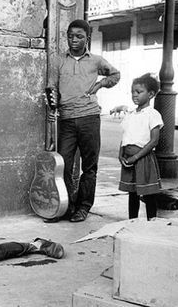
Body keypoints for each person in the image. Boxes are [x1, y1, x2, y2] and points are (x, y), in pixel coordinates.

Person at [48, 19, 120, 222]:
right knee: (63, 164)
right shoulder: (59, 61)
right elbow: (52, 88)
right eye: (70, 36)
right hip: (67, 120)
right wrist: (53, 106)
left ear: (87, 38)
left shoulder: (96, 61)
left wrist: (101, 84)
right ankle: (66, 207)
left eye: (79, 36)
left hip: (89, 117)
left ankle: (83, 207)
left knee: (89, 167)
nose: (74, 40)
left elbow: (115, 74)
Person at [118, 74, 163, 220]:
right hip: (128, 159)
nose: (134, 95)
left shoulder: (152, 114)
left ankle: (152, 222)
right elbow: (125, 136)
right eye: (133, 92)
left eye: (139, 92)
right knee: (132, 193)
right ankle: (133, 221)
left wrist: (136, 157)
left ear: (150, 94)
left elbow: (154, 141)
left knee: (148, 193)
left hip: (143, 158)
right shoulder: (130, 114)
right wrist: (121, 154)